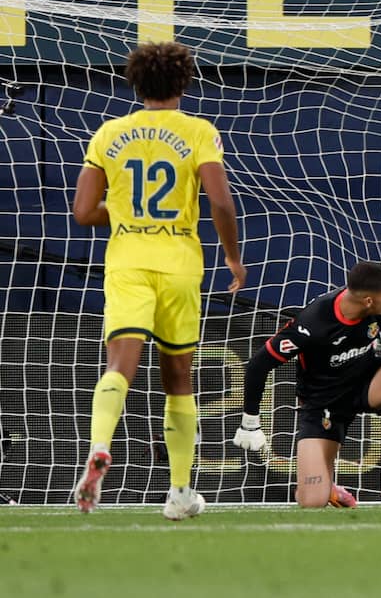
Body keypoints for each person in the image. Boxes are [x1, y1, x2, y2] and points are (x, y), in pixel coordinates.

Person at [71, 42, 246, 519]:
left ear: (136, 84)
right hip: (180, 264)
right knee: (179, 378)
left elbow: (83, 212)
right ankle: (180, 492)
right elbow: (221, 201)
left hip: (128, 262)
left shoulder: (109, 133)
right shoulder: (198, 131)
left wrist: (125, 213)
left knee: (119, 365)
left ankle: (100, 446)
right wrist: (233, 258)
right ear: (184, 83)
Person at [233, 261, 381, 507]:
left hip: (368, 383)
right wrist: (250, 422)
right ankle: (326, 486)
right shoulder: (314, 323)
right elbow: (259, 364)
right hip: (323, 404)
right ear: (368, 301)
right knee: (313, 501)